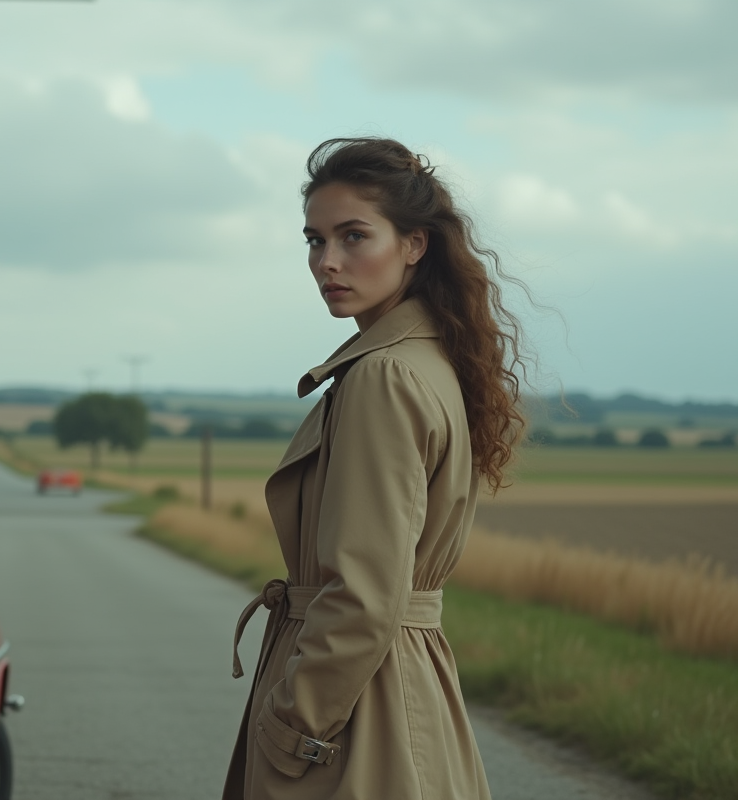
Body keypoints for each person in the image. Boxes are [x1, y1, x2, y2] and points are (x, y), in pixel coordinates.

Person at [222, 137, 526, 800]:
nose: (327, 262)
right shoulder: (426, 361)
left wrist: (292, 722)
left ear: (414, 245)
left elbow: (362, 593)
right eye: (314, 240)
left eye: (353, 236)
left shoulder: (384, 376)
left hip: (360, 711)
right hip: (401, 686)